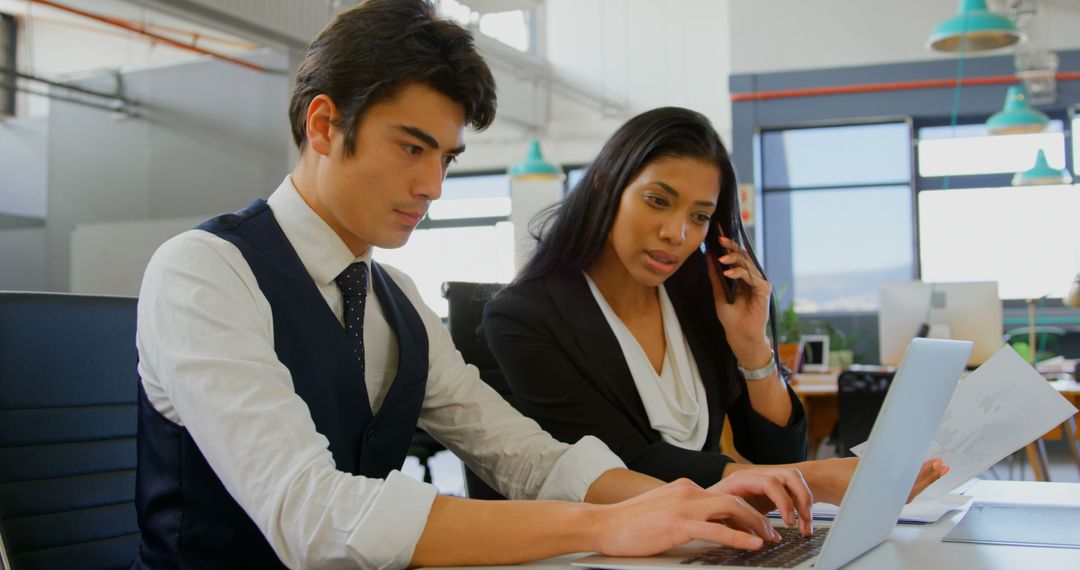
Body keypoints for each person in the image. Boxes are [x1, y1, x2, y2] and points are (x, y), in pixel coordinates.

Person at [132, 3, 820, 569]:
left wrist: (673, 503)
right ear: (323, 124)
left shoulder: (393, 296)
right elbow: (314, 518)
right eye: (411, 147)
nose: (432, 186)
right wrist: (601, 526)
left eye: (445, 157)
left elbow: (523, 455)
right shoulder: (203, 272)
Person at [483, 107, 947, 510]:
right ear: (606, 185)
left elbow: (775, 454)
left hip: (705, 536)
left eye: (699, 216)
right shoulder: (525, 317)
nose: (677, 233)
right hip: (599, 544)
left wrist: (751, 345)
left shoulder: (697, 297)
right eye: (657, 201)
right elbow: (616, 463)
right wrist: (817, 479)